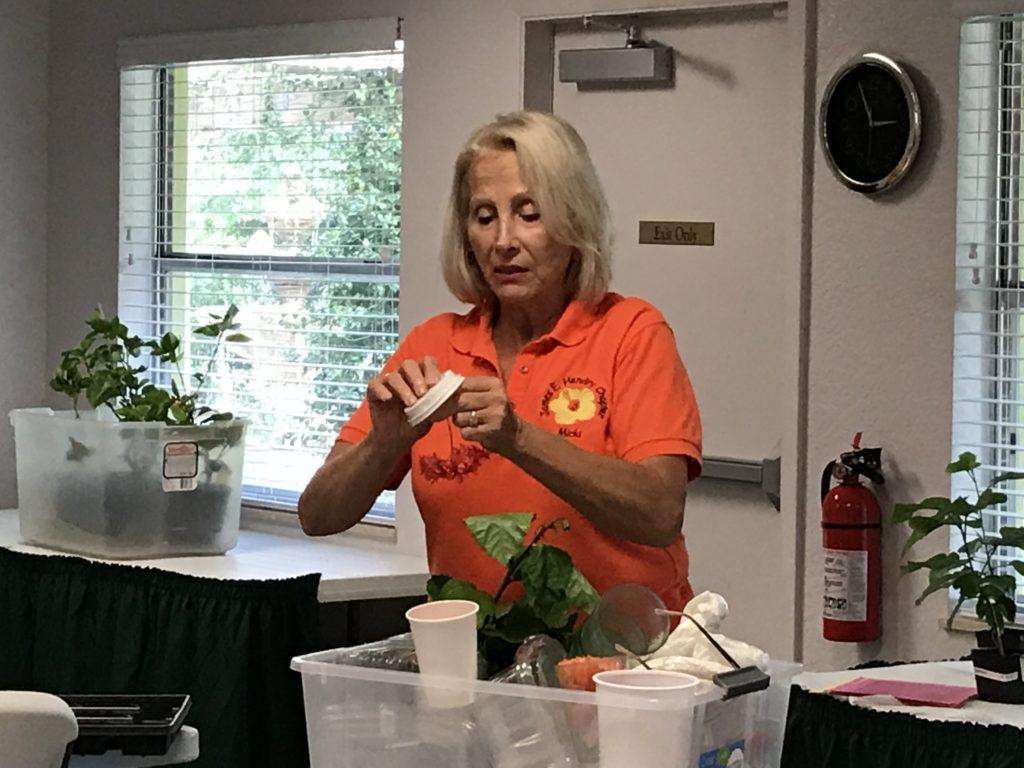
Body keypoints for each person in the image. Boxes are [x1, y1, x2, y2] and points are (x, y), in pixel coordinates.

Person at [298, 111, 702, 612]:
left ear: (574, 220)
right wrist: (384, 444)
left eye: (529, 214)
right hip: (478, 657)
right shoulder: (436, 344)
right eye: (484, 216)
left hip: (624, 662)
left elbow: (660, 513)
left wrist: (519, 439)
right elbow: (317, 515)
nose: (503, 240)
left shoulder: (631, 332)